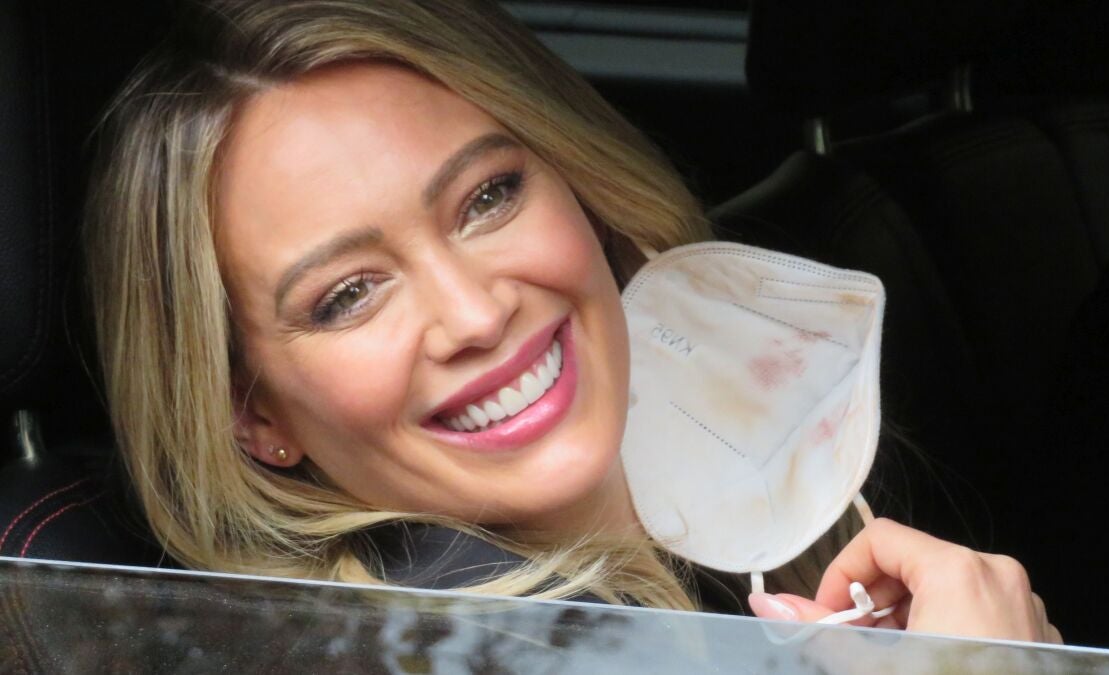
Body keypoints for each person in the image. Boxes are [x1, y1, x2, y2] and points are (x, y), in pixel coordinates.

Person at [84, 0, 1058, 643]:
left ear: (581, 184)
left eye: (487, 197)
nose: (474, 313)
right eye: (347, 295)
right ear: (252, 412)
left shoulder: (764, 523)